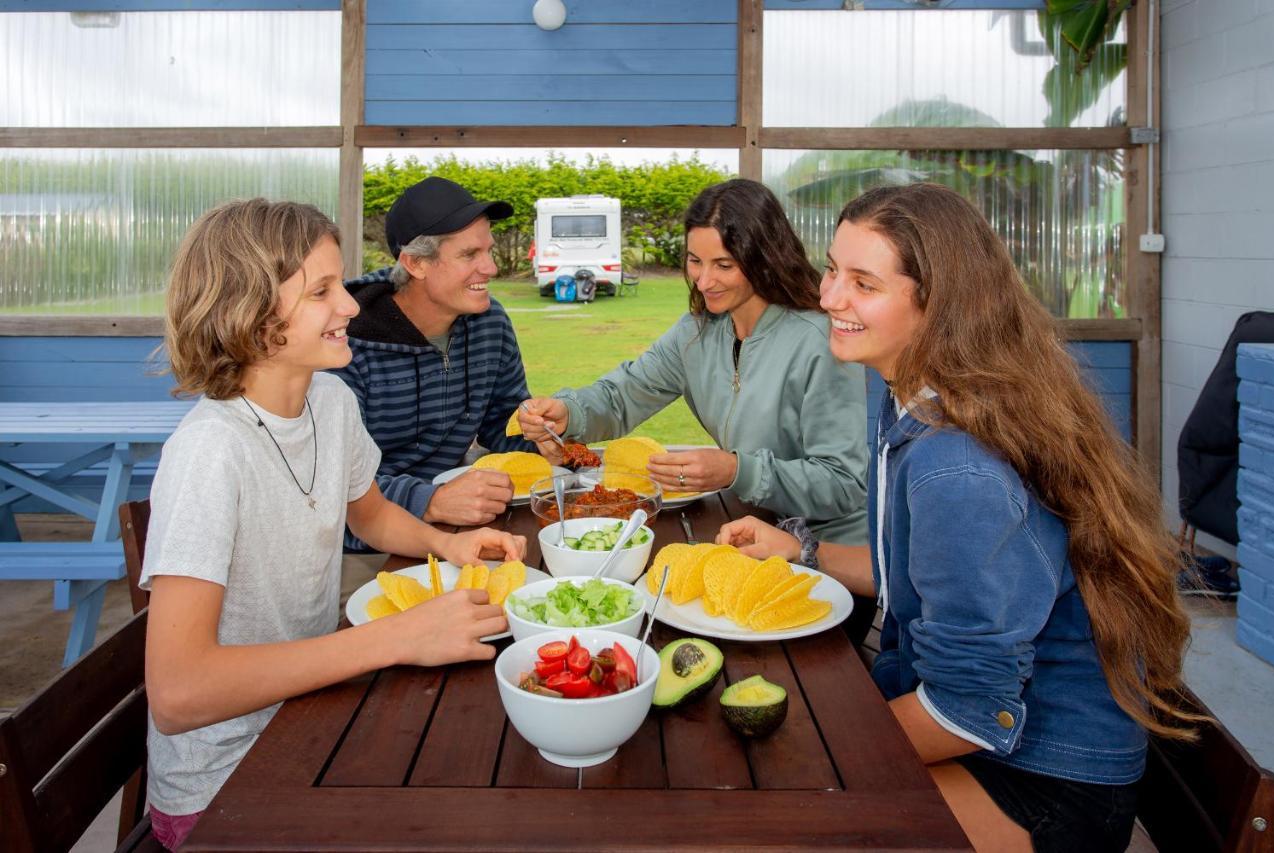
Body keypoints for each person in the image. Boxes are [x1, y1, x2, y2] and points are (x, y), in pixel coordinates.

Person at [718, 184, 1200, 852]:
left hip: (1039, 783)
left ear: (936, 302)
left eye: (864, 282)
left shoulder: (956, 462)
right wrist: (802, 552)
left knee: (773, 811)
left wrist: (815, 743)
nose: (828, 297)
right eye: (833, 269)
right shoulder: (921, 400)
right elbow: (917, 576)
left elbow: (969, 711)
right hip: (1002, 740)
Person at [142, 199, 524, 851]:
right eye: (321, 291)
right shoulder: (210, 452)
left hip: (313, 716)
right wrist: (396, 637)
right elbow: (178, 692)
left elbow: (369, 511)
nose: (350, 304)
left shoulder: (329, 399)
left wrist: (446, 542)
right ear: (252, 314)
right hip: (227, 791)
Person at [519, 179, 869, 545]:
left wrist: (736, 470)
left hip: (830, 553)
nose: (704, 281)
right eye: (694, 261)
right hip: (752, 531)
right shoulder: (696, 334)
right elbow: (623, 394)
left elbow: (844, 483)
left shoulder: (821, 341)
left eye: (724, 265)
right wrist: (569, 413)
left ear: (763, 258)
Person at [333, 177, 541, 544]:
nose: (491, 268)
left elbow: (502, 424)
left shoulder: (490, 324)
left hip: (456, 532)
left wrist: (544, 439)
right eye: (469, 255)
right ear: (415, 263)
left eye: (488, 251)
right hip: (363, 550)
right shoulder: (345, 345)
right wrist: (431, 501)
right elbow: (333, 485)